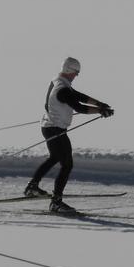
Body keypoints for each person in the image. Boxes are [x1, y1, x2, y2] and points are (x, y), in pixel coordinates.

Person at [25, 57, 114, 212]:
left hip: (49, 126)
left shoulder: (59, 81)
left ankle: (32, 187)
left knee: (55, 157)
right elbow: (79, 107)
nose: (76, 76)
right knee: (67, 164)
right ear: (69, 71)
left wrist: (99, 104)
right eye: (75, 73)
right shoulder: (63, 89)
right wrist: (100, 111)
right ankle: (56, 202)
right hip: (55, 129)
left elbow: (77, 95)